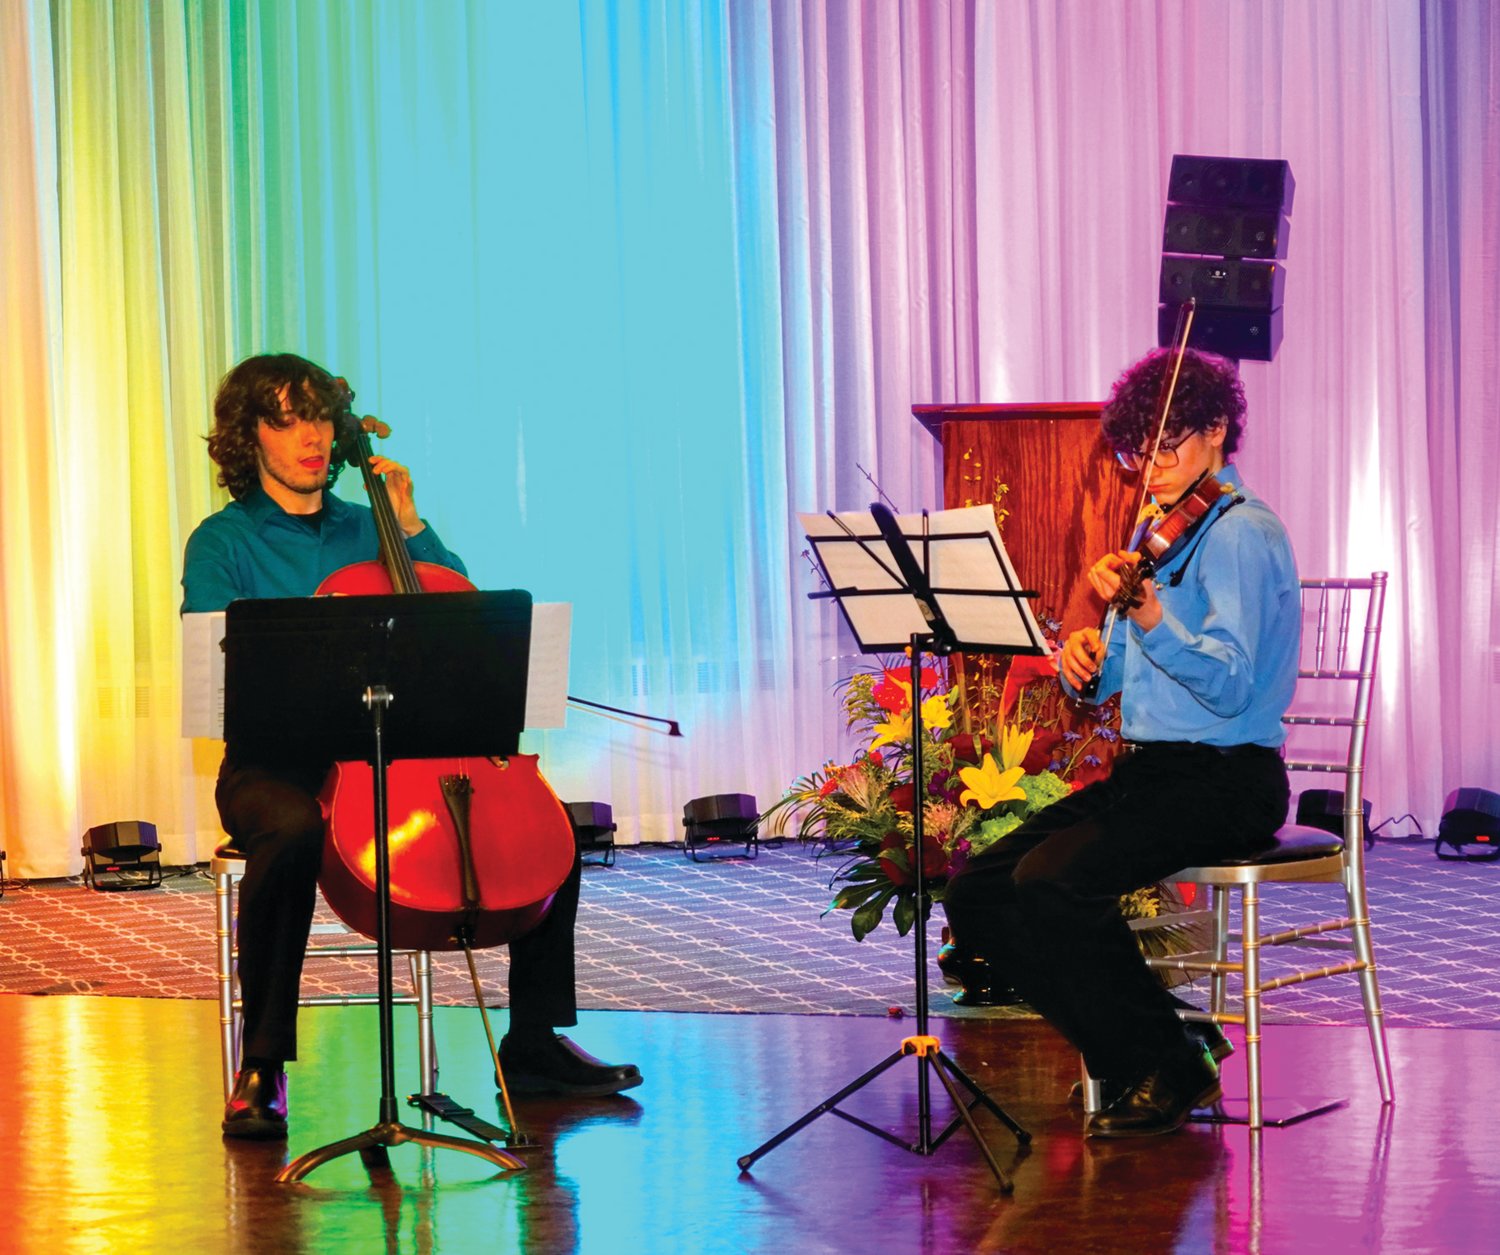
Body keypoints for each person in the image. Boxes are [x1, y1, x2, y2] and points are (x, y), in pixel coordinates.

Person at [182, 353, 641, 1140]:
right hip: (275, 761)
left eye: (322, 416)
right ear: (247, 436)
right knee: (290, 829)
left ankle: (531, 1042)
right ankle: (264, 1063)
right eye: (288, 419)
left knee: (547, 827)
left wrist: (413, 522)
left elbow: (462, 616)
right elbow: (228, 678)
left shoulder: (375, 525)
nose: (313, 437)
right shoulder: (222, 542)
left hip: (392, 752)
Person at [943, 345, 1299, 1138]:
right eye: (1141, 452)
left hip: (1227, 777)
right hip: (1153, 773)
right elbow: (1115, 683)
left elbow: (1232, 683)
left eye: (1167, 446)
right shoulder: (1161, 533)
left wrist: (1147, 617)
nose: (1152, 468)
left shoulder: (1241, 535)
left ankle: (1165, 1063)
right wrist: (1083, 664)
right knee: (979, 895)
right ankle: (1166, 1039)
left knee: (1054, 881)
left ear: (1215, 431)